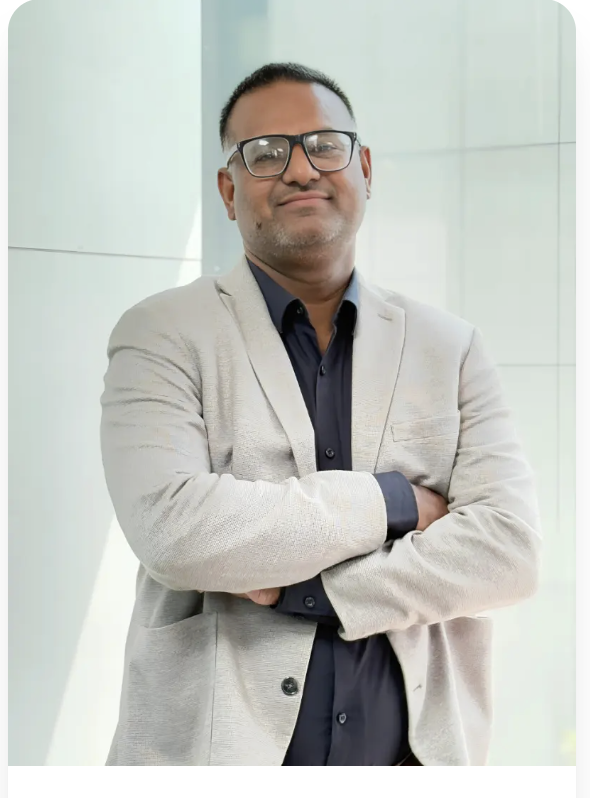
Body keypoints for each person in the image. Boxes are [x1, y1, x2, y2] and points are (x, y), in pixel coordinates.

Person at [100, 62, 541, 766]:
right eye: (266, 153)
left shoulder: (450, 347)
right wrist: (396, 501)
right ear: (229, 190)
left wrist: (307, 589)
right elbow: (173, 530)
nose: (301, 169)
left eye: (325, 146)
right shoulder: (161, 333)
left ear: (363, 168)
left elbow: (509, 551)